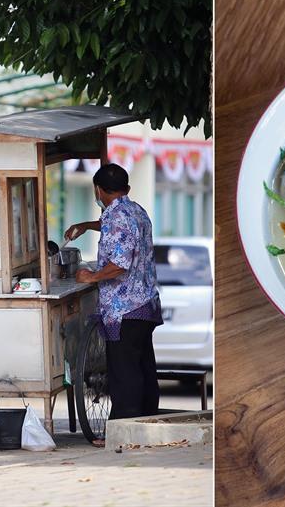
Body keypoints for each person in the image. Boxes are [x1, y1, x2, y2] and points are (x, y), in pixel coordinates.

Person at [66, 163, 163, 427]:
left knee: (125, 374)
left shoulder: (117, 218)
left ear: (97, 189)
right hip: (146, 304)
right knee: (143, 368)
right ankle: (147, 424)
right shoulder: (135, 211)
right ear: (127, 189)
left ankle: (125, 430)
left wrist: (92, 276)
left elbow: (120, 263)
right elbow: (114, 226)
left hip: (125, 308)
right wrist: (87, 225)